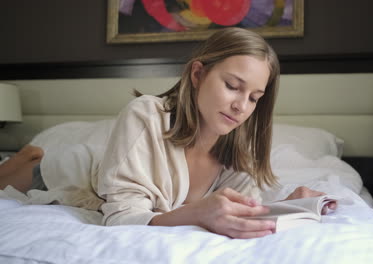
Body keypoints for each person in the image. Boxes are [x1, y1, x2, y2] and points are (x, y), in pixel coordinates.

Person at [0, 27, 336, 239]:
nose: (241, 107)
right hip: (64, 174)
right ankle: (31, 153)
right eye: (233, 86)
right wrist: (197, 212)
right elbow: (120, 219)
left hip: (101, 176)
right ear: (198, 74)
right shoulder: (145, 114)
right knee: (26, 167)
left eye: (254, 98)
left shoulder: (235, 153)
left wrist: (290, 203)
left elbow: (241, 209)